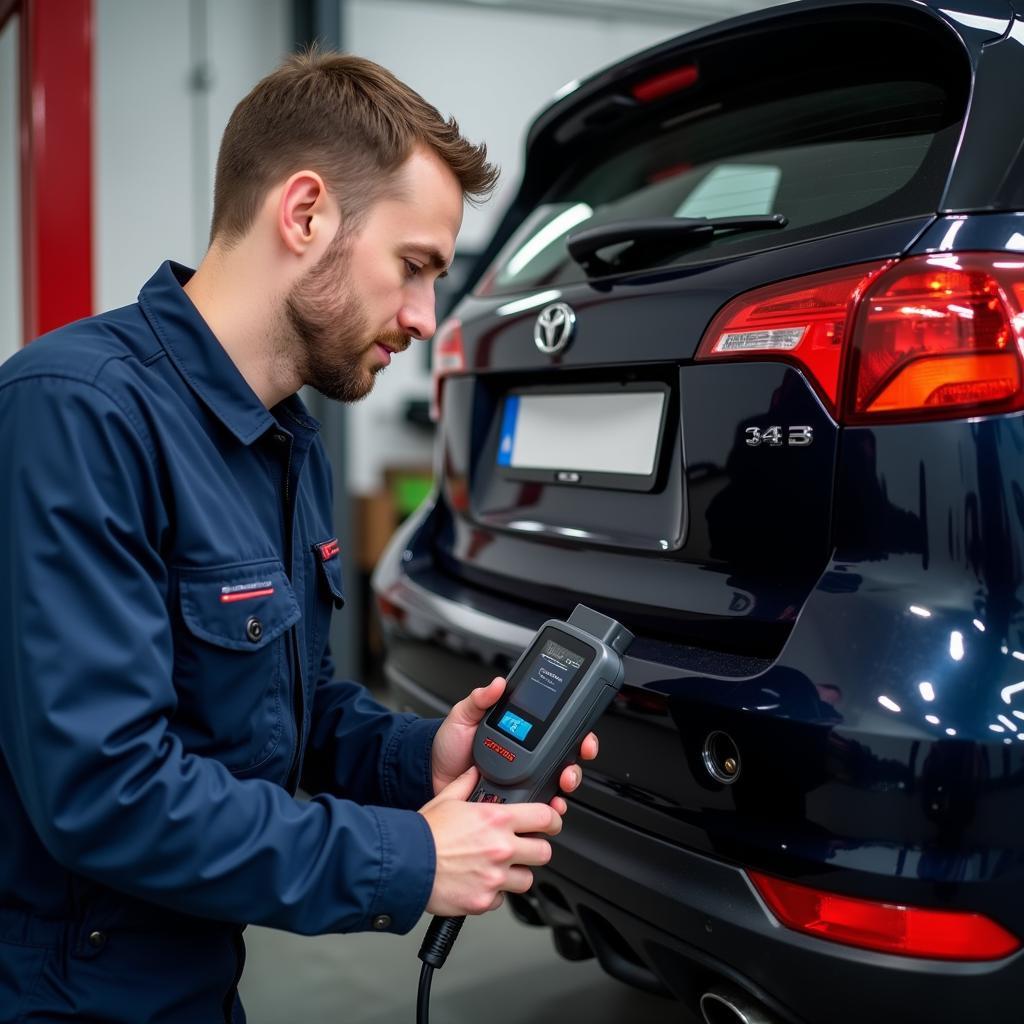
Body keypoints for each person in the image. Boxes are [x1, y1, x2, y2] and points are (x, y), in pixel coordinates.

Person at [0, 50, 597, 1023]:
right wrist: (412, 858)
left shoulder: (286, 438)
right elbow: (105, 791)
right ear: (306, 212)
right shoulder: (76, 413)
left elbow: (293, 707)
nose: (422, 318)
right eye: (413, 268)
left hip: (196, 985)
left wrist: (423, 760)